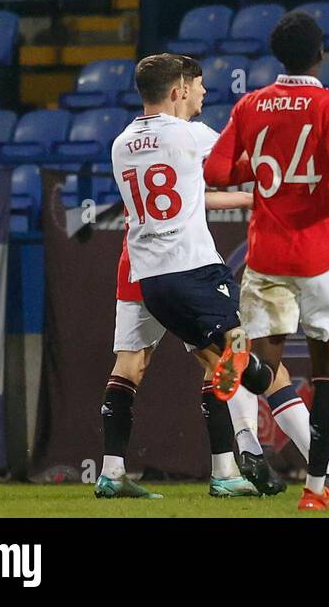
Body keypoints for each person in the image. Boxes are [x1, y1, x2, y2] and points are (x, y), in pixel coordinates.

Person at [204, 10, 329, 511]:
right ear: (320, 54)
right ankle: (316, 491)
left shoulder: (251, 105)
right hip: (323, 257)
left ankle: (238, 363)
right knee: (328, 371)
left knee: (264, 364)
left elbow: (215, 169)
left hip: (268, 254)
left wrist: (263, 164)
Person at [109, 54, 278, 499]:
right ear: (179, 90)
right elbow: (242, 161)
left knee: (214, 362)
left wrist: (243, 200)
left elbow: (186, 192)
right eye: (197, 86)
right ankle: (248, 438)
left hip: (151, 280)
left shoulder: (121, 142)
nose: (204, 93)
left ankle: (227, 468)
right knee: (241, 354)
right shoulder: (191, 134)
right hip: (196, 268)